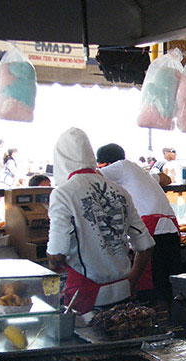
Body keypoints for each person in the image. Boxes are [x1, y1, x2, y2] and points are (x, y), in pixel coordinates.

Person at [46, 128, 154, 314]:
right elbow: (145, 245)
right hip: (123, 292)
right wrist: (133, 280)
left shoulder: (63, 193)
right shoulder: (119, 190)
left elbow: (57, 254)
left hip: (85, 296)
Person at [97, 143, 181, 307]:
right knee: (168, 284)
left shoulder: (120, 166)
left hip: (154, 228)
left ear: (108, 164)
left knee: (152, 288)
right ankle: (170, 321)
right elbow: (166, 179)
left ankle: (156, 322)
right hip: (169, 229)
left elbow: (89, 177)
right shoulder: (137, 171)